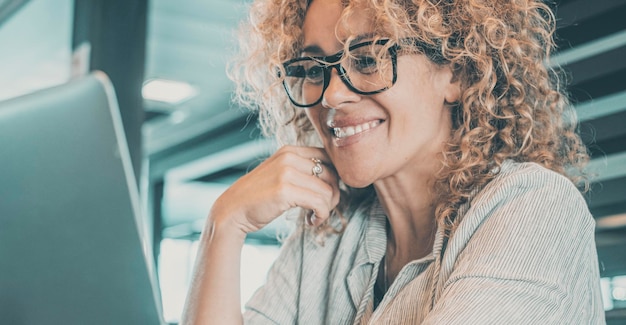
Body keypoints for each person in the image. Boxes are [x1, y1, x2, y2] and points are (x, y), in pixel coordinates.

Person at [181, 0, 606, 323]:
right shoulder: (331, 233)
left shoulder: (532, 207)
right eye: (313, 69)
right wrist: (225, 225)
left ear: (456, 73)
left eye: (366, 59)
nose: (331, 95)